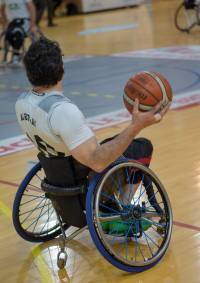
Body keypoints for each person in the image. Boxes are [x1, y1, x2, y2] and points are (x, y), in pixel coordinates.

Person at [15, 37, 170, 203]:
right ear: (61, 68)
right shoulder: (62, 111)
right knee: (142, 147)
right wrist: (137, 125)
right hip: (87, 185)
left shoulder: (22, 103)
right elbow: (98, 163)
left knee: (112, 141)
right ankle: (124, 209)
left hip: (59, 178)